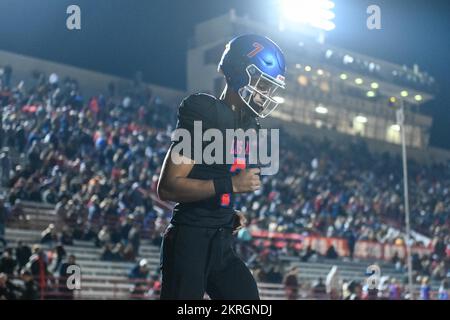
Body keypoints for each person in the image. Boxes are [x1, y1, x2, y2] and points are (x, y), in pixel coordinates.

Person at [157, 34, 286, 300]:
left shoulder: (247, 124)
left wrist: (227, 212)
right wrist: (231, 185)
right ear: (239, 72)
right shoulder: (204, 111)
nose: (266, 93)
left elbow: (212, 175)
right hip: (189, 242)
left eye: (270, 86)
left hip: (221, 243)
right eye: (262, 82)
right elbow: (169, 186)